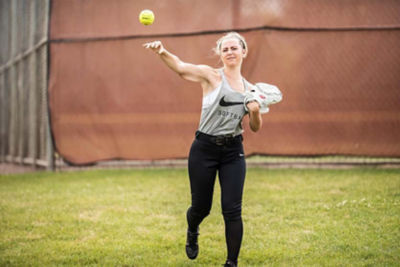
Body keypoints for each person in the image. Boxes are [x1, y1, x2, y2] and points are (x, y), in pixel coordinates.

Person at [144, 32, 262, 267]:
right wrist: (162, 52)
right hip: (204, 149)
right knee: (201, 207)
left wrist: (256, 111)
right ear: (220, 53)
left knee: (232, 209)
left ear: (243, 52)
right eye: (225, 49)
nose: (230, 52)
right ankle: (192, 228)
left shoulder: (252, 89)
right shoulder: (211, 76)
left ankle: (231, 263)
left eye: (234, 48)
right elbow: (180, 68)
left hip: (233, 152)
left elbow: (256, 128)